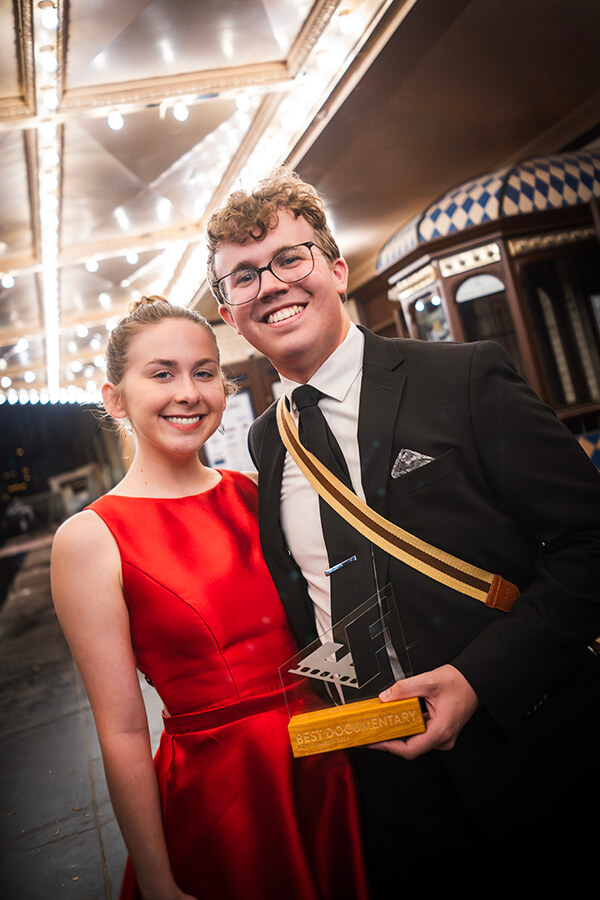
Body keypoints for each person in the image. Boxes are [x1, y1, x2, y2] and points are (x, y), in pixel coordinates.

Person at [207, 169, 600, 896]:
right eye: (245, 275)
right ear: (230, 314)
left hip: (531, 745)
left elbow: (590, 544)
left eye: (291, 258)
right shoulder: (268, 442)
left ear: (335, 269)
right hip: (383, 784)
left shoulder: (463, 377)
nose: (272, 284)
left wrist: (477, 680)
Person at [50, 296, 369, 900]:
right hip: (228, 792)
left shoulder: (256, 491)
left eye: (204, 372)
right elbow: (122, 731)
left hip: (330, 763)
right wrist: (156, 878)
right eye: (161, 373)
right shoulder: (91, 538)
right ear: (115, 398)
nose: (188, 393)